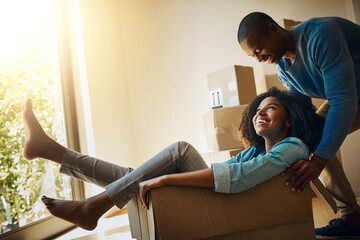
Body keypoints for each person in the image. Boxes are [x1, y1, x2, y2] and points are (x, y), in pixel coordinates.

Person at [22, 88, 322, 231]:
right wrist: (157, 178)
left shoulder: (293, 147)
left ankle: (90, 205)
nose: (260, 112)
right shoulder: (256, 151)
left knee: (180, 152)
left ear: (290, 120)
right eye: (258, 109)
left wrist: (166, 178)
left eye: (270, 108)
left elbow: (238, 179)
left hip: (233, 203)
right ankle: (52, 151)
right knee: (133, 178)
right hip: (226, 198)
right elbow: (227, 168)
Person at [238, 12, 360, 239]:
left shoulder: (321, 35)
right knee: (311, 138)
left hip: (349, 97)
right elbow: (302, 118)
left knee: (320, 147)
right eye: (252, 56)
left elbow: (343, 100)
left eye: (258, 50)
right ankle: (352, 219)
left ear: (274, 29)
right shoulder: (284, 71)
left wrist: (318, 162)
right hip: (353, 96)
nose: (258, 58)